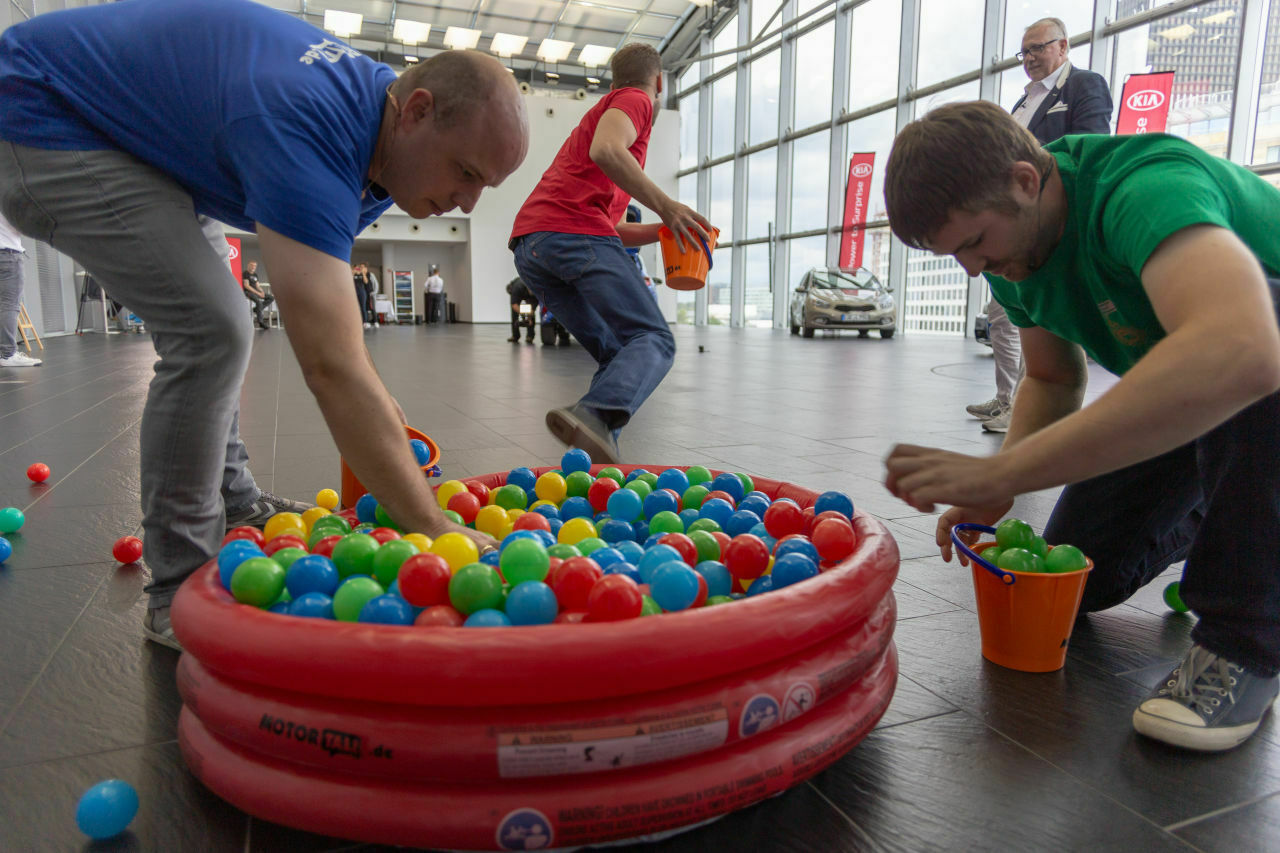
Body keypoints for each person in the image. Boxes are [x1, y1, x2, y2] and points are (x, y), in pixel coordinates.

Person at [0, 0, 526, 649]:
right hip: (43, 110)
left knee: (213, 325)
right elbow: (328, 366)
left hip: (134, 137)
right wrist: (433, 523)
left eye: (485, 187)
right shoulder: (310, 126)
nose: (467, 202)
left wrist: (394, 445)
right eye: (466, 172)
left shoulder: (379, 151)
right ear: (416, 111)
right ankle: (178, 589)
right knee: (211, 327)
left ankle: (235, 500)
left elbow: (345, 350)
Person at [882, 100, 1280, 752]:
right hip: (1211, 398)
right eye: (955, 254)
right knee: (1080, 578)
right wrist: (996, 490)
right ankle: (1237, 526)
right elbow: (1052, 378)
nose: (974, 269)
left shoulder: (1143, 190)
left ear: (1025, 180)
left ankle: (1244, 644)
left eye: (975, 243)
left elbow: (1244, 347)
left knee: (1265, 320)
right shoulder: (1020, 250)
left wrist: (1004, 466)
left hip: (1259, 369)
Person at [510, 42, 712, 464]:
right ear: (659, 82)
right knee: (654, 338)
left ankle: (593, 456)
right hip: (569, 235)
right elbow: (607, 150)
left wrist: (664, 230)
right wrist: (668, 206)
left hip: (535, 247)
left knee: (618, 353)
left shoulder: (610, 114)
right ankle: (595, 415)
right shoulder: (635, 100)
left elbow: (612, 230)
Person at [969, 17, 1113, 434]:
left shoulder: (1083, 85)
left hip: (1050, 230)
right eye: (1024, 52)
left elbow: (1088, 146)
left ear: (1063, 46)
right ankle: (1007, 400)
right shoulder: (1023, 102)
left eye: (1038, 48)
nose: (1030, 58)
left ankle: (1024, 412)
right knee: (1003, 316)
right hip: (1013, 227)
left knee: (1040, 320)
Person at [0, 208, 40, 367]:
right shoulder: (7, 193)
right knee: (9, 305)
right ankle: (7, 353)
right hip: (7, 254)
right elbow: (25, 225)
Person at [241, 260, 273, 330]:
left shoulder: (255, 274)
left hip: (255, 292)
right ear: (248, 266)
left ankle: (257, 309)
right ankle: (261, 322)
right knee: (258, 302)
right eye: (252, 265)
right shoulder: (245, 273)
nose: (253, 267)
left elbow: (257, 285)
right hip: (248, 292)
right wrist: (258, 293)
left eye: (255, 266)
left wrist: (262, 292)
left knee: (270, 298)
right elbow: (247, 286)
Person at [506, 276, 537, 343]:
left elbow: (532, 310)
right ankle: (515, 336)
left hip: (528, 295)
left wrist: (528, 318)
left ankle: (530, 336)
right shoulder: (518, 287)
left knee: (531, 314)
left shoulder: (537, 292)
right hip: (516, 291)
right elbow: (514, 305)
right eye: (531, 290)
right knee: (514, 314)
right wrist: (523, 315)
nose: (533, 292)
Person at [353, 263, 374, 329]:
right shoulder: (353, 273)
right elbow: (350, 280)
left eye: (358, 268)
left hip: (362, 291)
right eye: (356, 268)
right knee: (355, 307)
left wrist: (363, 273)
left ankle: (365, 322)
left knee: (363, 307)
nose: (357, 269)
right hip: (354, 291)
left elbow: (366, 282)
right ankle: (355, 322)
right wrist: (353, 273)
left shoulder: (363, 274)